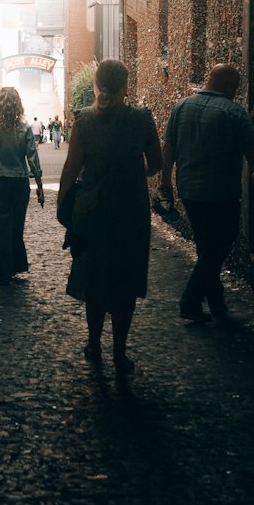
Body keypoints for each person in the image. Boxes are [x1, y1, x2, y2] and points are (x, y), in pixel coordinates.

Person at [57, 59, 161, 378]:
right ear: (125, 86)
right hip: (131, 211)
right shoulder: (142, 119)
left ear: (97, 86)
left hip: (94, 212)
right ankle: (119, 352)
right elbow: (155, 164)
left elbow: (72, 167)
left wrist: (63, 204)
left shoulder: (84, 121)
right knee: (125, 282)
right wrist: (130, 173)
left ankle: (93, 343)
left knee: (95, 277)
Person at [158, 64, 254, 321]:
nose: (235, 92)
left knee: (207, 246)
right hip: (221, 193)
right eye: (235, 87)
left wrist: (165, 181)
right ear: (228, 86)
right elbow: (253, 151)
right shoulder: (234, 112)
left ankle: (216, 301)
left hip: (189, 191)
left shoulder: (181, 106)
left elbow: (168, 148)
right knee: (221, 243)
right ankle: (190, 300)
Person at [0, 87, 44, 286]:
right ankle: (15, 266)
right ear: (18, 106)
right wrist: (39, 187)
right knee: (16, 227)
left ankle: (4, 271)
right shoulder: (24, 129)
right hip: (19, 183)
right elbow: (33, 160)